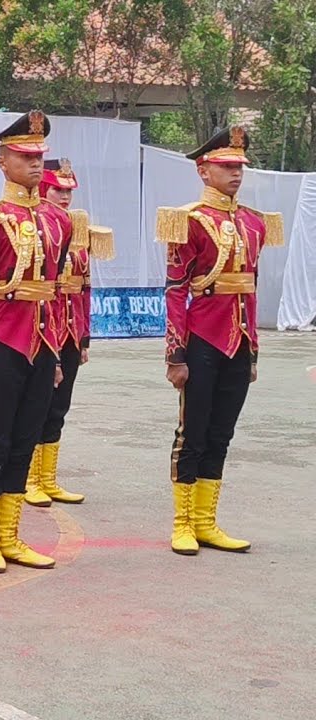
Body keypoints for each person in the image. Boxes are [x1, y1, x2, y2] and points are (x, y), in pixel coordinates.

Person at [0, 110, 100, 574]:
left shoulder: (61, 222)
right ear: (3, 162)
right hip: (4, 339)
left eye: (39, 154)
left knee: (25, 440)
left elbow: (60, 290)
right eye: (24, 155)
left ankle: (12, 535)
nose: (36, 163)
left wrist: (59, 352)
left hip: (44, 344)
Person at [159, 126, 282, 556]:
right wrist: (175, 353)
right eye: (227, 166)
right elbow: (175, 290)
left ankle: (207, 522)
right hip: (201, 339)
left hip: (239, 339)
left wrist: (253, 350)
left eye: (240, 166)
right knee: (192, 432)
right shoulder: (188, 219)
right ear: (203, 170)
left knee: (222, 434)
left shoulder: (253, 222)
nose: (236, 173)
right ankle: (182, 523)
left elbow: (252, 285)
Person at [25, 158, 114, 506]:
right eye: (58, 190)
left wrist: (85, 337)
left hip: (70, 332)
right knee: (36, 404)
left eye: (68, 191)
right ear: (43, 188)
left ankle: (48, 478)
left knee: (59, 407)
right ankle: (29, 477)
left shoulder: (78, 229)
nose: (64, 197)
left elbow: (85, 289)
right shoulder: (35, 227)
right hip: (41, 329)